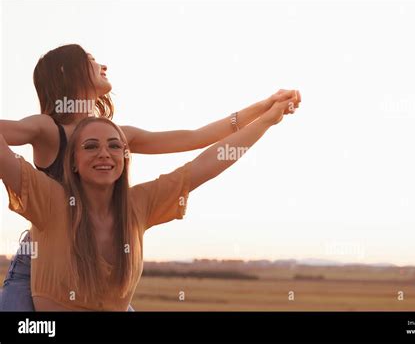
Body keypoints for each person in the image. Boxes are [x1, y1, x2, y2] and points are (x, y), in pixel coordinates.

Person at [0, 43, 300, 310]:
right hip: (46, 258)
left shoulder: (115, 137)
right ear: (66, 70)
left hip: (103, 256)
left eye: (113, 147)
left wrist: (264, 110)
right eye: (91, 59)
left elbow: (196, 139)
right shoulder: (46, 129)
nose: (102, 65)